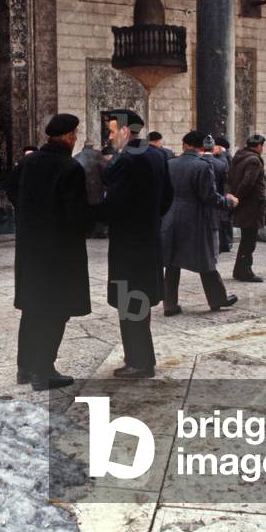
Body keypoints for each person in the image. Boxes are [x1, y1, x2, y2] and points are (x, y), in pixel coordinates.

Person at [14, 114, 95, 390]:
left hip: (30, 250)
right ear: (70, 136)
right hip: (59, 254)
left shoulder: (27, 162)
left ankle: (25, 367)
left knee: (32, 308)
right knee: (55, 311)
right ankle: (43, 371)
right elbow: (77, 216)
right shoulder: (69, 167)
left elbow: (12, 191)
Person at [101, 109, 173, 378]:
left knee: (129, 304)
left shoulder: (125, 161)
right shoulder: (157, 155)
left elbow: (113, 207)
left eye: (111, 131)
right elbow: (167, 197)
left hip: (128, 246)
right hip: (149, 240)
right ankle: (142, 358)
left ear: (124, 131)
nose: (110, 137)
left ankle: (139, 362)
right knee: (139, 303)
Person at [161, 131, 239, 317]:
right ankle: (217, 299)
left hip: (171, 217)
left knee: (172, 263)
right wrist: (229, 202)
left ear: (184, 145)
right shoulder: (203, 166)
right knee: (206, 261)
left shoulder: (170, 163)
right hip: (197, 219)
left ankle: (169, 305)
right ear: (201, 147)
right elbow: (209, 196)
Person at [228, 134, 266, 282]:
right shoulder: (254, 160)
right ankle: (245, 271)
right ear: (258, 146)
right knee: (249, 240)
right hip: (252, 206)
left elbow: (230, 178)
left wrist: (234, 196)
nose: (262, 149)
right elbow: (248, 182)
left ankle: (240, 270)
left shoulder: (239, 157)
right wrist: (238, 197)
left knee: (246, 238)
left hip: (244, 205)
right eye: (262, 146)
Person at [74, 142, 108, 238]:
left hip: (82, 191)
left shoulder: (76, 156)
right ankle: (98, 232)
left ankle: (86, 231)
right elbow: (106, 170)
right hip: (96, 190)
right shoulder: (97, 155)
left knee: (86, 211)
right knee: (97, 211)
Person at [4, 145, 38, 224]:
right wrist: (17, 202)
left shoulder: (42, 169)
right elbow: (10, 187)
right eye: (27, 155)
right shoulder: (18, 169)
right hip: (22, 208)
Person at [213, 136, 234, 253]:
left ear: (220, 147)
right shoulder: (224, 157)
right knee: (225, 219)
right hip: (225, 192)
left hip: (225, 192)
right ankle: (226, 243)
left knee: (224, 219)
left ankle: (225, 243)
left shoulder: (223, 158)